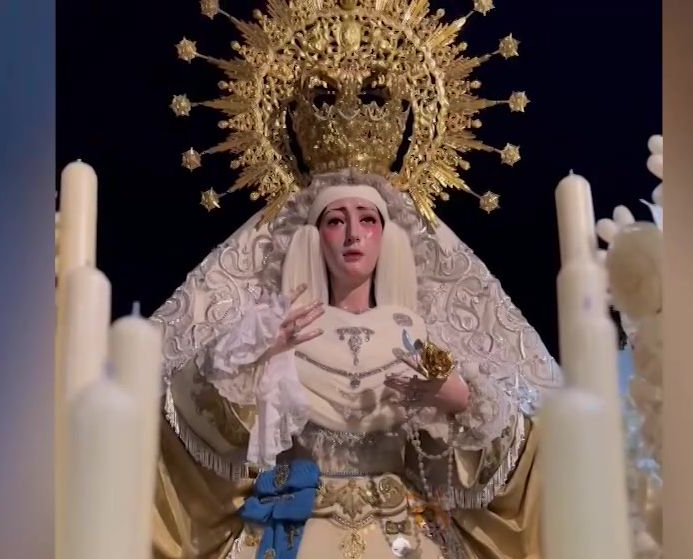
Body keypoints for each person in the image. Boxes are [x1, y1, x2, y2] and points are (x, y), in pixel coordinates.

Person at [148, 2, 560, 557]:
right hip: (292, 529)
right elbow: (204, 433)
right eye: (335, 221)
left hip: (402, 533)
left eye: (367, 220)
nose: (352, 236)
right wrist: (248, 365)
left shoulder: (415, 337)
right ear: (313, 235)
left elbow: (457, 470)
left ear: (387, 237)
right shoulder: (276, 329)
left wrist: (461, 401)